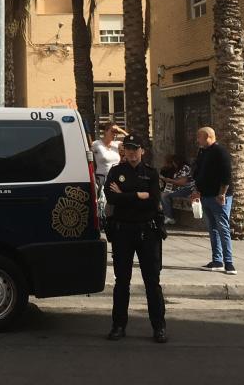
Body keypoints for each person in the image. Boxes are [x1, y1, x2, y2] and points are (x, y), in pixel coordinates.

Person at [104, 134, 167, 344]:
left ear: (142, 151)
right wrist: (138, 195)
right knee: (122, 281)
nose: (131, 152)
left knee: (152, 282)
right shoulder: (116, 172)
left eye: (135, 148)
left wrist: (125, 195)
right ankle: (118, 326)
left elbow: (154, 201)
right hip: (123, 232)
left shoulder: (151, 173)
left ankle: (159, 327)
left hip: (147, 232)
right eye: (128, 149)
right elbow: (111, 198)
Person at [190, 127, 237, 275]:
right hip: (205, 195)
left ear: (208, 136)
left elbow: (226, 175)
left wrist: (222, 194)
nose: (197, 140)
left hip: (218, 196)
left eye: (199, 137)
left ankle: (229, 263)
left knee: (223, 228)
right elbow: (198, 172)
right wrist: (196, 190)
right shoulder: (202, 152)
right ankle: (217, 260)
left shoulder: (220, 152)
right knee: (213, 228)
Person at [91, 121, 127, 219]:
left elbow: (133, 141)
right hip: (102, 179)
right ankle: (103, 222)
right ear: (105, 131)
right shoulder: (96, 144)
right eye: (112, 131)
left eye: (116, 132)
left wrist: (121, 130)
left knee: (116, 203)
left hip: (116, 179)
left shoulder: (117, 144)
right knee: (103, 204)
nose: (114, 134)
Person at [159, 154, 193, 225]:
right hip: (177, 189)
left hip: (186, 189)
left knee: (164, 195)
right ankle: (165, 215)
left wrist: (170, 180)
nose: (173, 164)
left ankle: (169, 217)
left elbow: (182, 182)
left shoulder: (185, 168)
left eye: (173, 162)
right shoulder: (177, 169)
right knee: (161, 193)